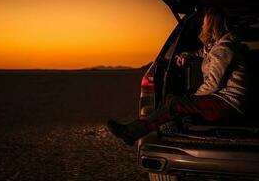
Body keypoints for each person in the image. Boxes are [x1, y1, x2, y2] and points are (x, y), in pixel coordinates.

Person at [107, 8, 250, 146]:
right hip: (222, 100)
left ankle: (134, 131)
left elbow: (213, 84)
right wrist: (187, 55)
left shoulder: (224, 49)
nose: (202, 25)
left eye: (205, 22)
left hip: (228, 104)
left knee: (176, 103)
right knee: (171, 99)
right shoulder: (218, 46)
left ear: (212, 25)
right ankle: (151, 126)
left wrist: (193, 99)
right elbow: (204, 53)